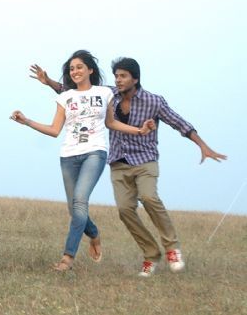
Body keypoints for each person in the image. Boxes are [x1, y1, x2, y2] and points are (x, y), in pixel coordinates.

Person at [29, 57, 227, 276]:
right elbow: (75, 93)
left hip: (145, 160)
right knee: (124, 211)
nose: (118, 80)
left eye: (123, 76)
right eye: (116, 76)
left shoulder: (154, 101)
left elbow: (179, 123)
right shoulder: (109, 94)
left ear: (135, 79)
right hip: (118, 162)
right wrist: (48, 82)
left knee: (149, 197)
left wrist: (203, 146)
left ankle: (172, 248)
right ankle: (151, 254)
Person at [12, 50, 156, 272]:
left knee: (80, 201)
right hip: (68, 155)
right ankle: (94, 234)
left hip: (94, 152)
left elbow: (111, 123)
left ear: (90, 69)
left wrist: (139, 130)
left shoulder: (104, 93)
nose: (75, 71)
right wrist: (27, 121)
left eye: (79, 67)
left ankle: (67, 258)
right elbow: (54, 130)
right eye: (71, 69)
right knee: (74, 208)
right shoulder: (65, 97)